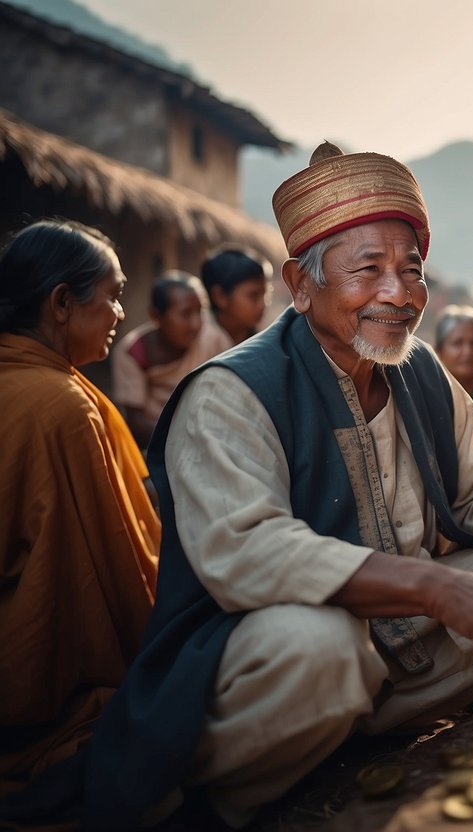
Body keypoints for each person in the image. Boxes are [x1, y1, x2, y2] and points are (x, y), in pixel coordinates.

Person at [58, 142, 473, 829]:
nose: (399, 294)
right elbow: (251, 557)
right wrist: (435, 585)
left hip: (391, 639)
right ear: (301, 283)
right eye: (368, 270)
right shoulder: (229, 393)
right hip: (266, 654)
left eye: (411, 271)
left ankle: (341, 727)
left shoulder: (417, 369)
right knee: (321, 649)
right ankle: (227, 780)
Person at [0, 220, 159, 802]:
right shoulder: (64, 408)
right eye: (113, 295)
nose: (121, 312)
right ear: (62, 303)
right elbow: (117, 574)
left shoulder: (24, 381)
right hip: (37, 697)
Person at [111, 271, 230, 447]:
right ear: (156, 316)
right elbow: (136, 422)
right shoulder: (133, 352)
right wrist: (187, 440)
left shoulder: (212, 339)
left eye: (199, 312)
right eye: (185, 314)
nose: (196, 324)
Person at [200, 245, 273, 345]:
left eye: (266, 294)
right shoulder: (200, 341)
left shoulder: (261, 339)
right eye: (253, 296)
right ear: (220, 296)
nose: (263, 304)